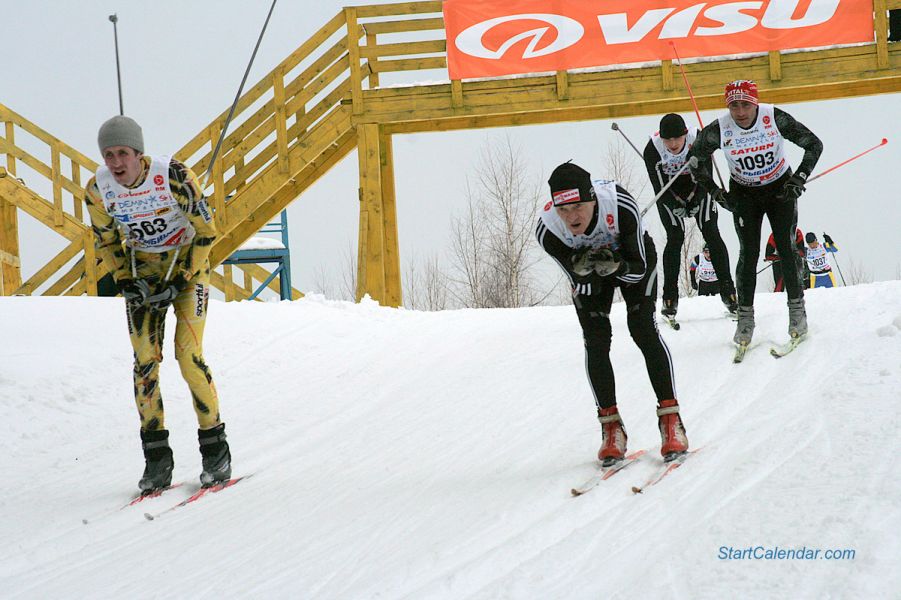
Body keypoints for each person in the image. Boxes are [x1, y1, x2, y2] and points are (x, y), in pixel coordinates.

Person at [84, 116, 231, 493]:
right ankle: (156, 460)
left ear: (139, 153)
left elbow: (208, 231)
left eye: (123, 154)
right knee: (145, 363)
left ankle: (215, 450)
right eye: (108, 155)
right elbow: (106, 241)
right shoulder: (99, 190)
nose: (116, 163)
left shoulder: (175, 176)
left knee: (188, 356)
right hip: (143, 272)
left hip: (187, 268)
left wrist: (184, 275)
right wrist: (124, 279)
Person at [536, 162, 688, 464]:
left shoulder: (619, 205)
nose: (571, 217)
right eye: (563, 210)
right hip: (593, 272)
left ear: (592, 199)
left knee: (642, 328)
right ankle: (610, 427)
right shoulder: (547, 229)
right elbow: (579, 280)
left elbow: (639, 269)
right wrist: (585, 270)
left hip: (631, 260)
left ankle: (671, 421)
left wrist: (617, 265)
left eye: (578, 207)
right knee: (595, 338)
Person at [688, 80, 823, 347]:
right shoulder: (719, 129)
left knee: (786, 247)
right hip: (744, 194)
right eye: (734, 106)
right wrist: (716, 193)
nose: (740, 112)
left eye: (746, 105)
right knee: (748, 253)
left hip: (779, 190)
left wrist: (800, 178)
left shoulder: (774, 117)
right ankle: (745, 320)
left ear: (755, 103)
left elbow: (814, 144)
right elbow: (694, 162)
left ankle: (797, 311)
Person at [644, 113, 737, 320]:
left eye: (677, 138)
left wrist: (695, 201)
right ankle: (670, 299)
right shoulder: (653, 149)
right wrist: (676, 204)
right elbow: (659, 187)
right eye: (668, 140)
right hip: (670, 191)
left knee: (711, 233)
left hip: (698, 186)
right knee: (675, 237)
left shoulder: (698, 139)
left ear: (685, 134)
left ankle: (729, 293)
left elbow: (707, 176)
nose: (673, 144)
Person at [764, 227, 807, 292]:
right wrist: (781, 257)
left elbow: (802, 252)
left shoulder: (797, 233)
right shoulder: (774, 235)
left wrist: (795, 253)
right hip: (779, 262)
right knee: (779, 286)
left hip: (795, 260)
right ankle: (777, 299)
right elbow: (768, 255)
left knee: (798, 284)